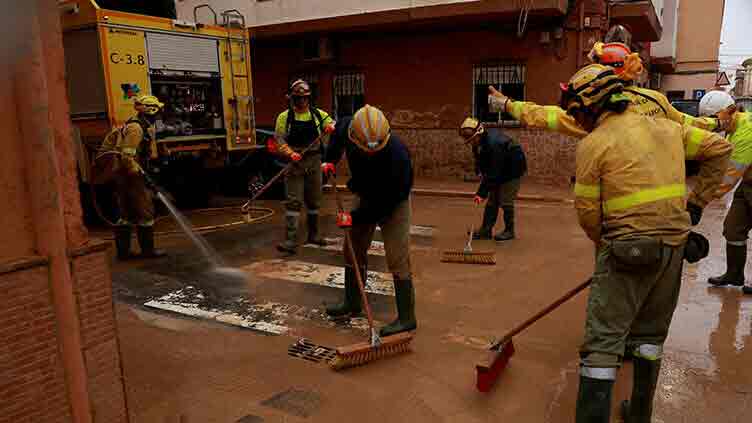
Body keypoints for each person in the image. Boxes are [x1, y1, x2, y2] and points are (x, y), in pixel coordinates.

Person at [564, 64, 731, 422]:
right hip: (673, 250)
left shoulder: (595, 143)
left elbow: (588, 212)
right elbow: (719, 148)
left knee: (603, 344)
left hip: (624, 251)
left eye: (576, 111)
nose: (576, 120)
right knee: (650, 338)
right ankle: (639, 414)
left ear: (591, 102)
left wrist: (606, 245)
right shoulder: (669, 128)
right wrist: (696, 204)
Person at [321, 105, 416, 336]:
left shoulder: (399, 155)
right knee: (352, 247)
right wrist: (329, 160)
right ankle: (352, 303)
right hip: (364, 192)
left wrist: (353, 217)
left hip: (393, 201)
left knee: (397, 257)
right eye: (366, 150)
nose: (371, 153)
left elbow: (383, 205)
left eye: (377, 149)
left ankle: (407, 318)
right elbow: (335, 138)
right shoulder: (348, 127)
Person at [274, 79, 335, 254]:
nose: (302, 102)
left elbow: (332, 123)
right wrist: (289, 153)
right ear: (292, 99)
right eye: (298, 98)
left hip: (314, 161)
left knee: (314, 200)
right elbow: (279, 139)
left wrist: (331, 127)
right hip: (295, 163)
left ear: (309, 98)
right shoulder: (284, 117)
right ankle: (290, 241)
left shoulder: (318, 115)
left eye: (305, 98)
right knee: (293, 202)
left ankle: (313, 235)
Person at [700, 91, 752, 295]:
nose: (714, 124)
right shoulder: (734, 127)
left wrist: (699, 199)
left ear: (729, 112)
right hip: (748, 183)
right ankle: (734, 274)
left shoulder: (746, 131)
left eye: (715, 119)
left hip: (746, 181)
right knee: (733, 228)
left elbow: (729, 177)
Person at [109, 95, 166, 259]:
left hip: (124, 174)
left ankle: (124, 253)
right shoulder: (137, 129)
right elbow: (127, 156)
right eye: (157, 112)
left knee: (126, 213)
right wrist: (142, 176)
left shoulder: (137, 125)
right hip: (131, 175)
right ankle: (148, 251)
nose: (159, 116)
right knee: (145, 211)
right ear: (151, 111)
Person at [458, 117, 527, 241]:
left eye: (472, 139)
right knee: (492, 200)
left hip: (512, 170)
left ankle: (509, 231)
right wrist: (479, 170)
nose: (470, 142)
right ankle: (486, 231)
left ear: (479, 133)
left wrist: (481, 193)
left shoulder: (494, 145)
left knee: (505, 200)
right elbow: (480, 158)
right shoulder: (478, 142)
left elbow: (493, 173)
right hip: (500, 167)